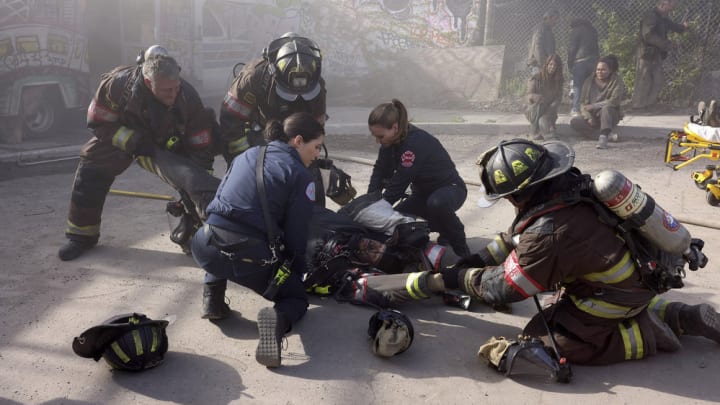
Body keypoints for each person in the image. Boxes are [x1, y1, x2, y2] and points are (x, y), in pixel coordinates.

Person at [363, 138, 717, 369]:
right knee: (610, 297)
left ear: (521, 193)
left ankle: (646, 336)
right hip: (640, 275)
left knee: (543, 338)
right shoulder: (572, 189)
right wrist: (477, 260)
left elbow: (506, 288)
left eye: (509, 197)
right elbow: (516, 239)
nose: (511, 204)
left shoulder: (550, 232)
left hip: (613, 295)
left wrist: (451, 278)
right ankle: (686, 316)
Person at [58, 49, 220, 261]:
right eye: (165, 90)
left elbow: (200, 142)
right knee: (91, 170)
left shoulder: (187, 96)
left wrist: (199, 178)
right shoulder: (117, 85)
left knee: (193, 179)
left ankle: (194, 237)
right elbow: (98, 121)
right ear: (147, 81)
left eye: (175, 87)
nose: (173, 94)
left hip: (161, 146)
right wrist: (132, 141)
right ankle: (81, 237)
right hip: (120, 139)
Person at [191, 112, 324, 368]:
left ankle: (212, 300)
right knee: (296, 299)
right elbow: (297, 235)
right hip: (248, 255)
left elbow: (219, 200)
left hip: (204, 244)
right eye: (316, 147)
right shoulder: (300, 176)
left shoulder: (247, 155)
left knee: (221, 237)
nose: (317, 154)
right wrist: (296, 274)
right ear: (298, 141)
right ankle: (276, 323)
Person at [367, 99, 470, 257]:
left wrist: (378, 208)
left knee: (436, 203)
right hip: (422, 195)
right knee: (396, 220)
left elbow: (400, 182)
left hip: (451, 189)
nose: (378, 141)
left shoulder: (415, 143)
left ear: (394, 128)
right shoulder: (389, 143)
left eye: (380, 136)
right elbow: (380, 171)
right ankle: (442, 227)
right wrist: (369, 202)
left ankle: (461, 248)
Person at [219, 32, 326, 164]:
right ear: (274, 73)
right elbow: (230, 120)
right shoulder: (253, 78)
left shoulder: (316, 83)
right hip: (259, 134)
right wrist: (244, 160)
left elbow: (316, 130)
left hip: (293, 137)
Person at [631, 0, 688, 111]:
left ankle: (649, 105)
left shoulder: (663, 17)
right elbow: (648, 35)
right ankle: (638, 106)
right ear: (664, 4)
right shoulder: (651, 16)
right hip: (646, 53)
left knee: (657, 80)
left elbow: (674, 26)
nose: (673, 7)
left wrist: (683, 27)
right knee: (643, 80)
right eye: (672, 5)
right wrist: (667, 44)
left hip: (657, 54)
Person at [569, 55, 625, 149]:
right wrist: (588, 117)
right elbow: (582, 102)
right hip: (593, 116)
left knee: (606, 108)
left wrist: (595, 106)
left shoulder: (616, 81)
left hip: (610, 115)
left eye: (603, 70)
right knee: (575, 122)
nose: (600, 72)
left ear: (610, 70)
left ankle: (603, 139)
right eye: (598, 69)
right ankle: (607, 136)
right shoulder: (589, 81)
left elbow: (614, 101)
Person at [525, 54, 564, 140]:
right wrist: (535, 97)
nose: (552, 67)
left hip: (549, 111)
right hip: (534, 110)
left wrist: (550, 109)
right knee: (540, 104)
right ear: (546, 65)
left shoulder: (558, 80)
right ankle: (534, 131)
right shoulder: (536, 78)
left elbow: (558, 98)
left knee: (543, 121)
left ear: (558, 67)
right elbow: (528, 96)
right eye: (550, 64)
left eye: (555, 65)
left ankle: (548, 135)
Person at [567, 17, 599, 116]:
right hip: (594, 61)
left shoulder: (576, 30)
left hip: (580, 61)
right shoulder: (593, 31)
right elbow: (597, 47)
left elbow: (572, 48)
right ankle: (591, 108)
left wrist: (570, 63)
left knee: (577, 86)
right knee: (592, 86)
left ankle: (576, 109)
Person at [527, 8, 559, 75]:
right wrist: (543, 64)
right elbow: (537, 47)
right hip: (539, 64)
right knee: (538, 83)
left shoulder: (548, 30)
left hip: (546, 63)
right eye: (555, 18)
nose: (556, 21)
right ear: (548, 18)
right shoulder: (540, 28)